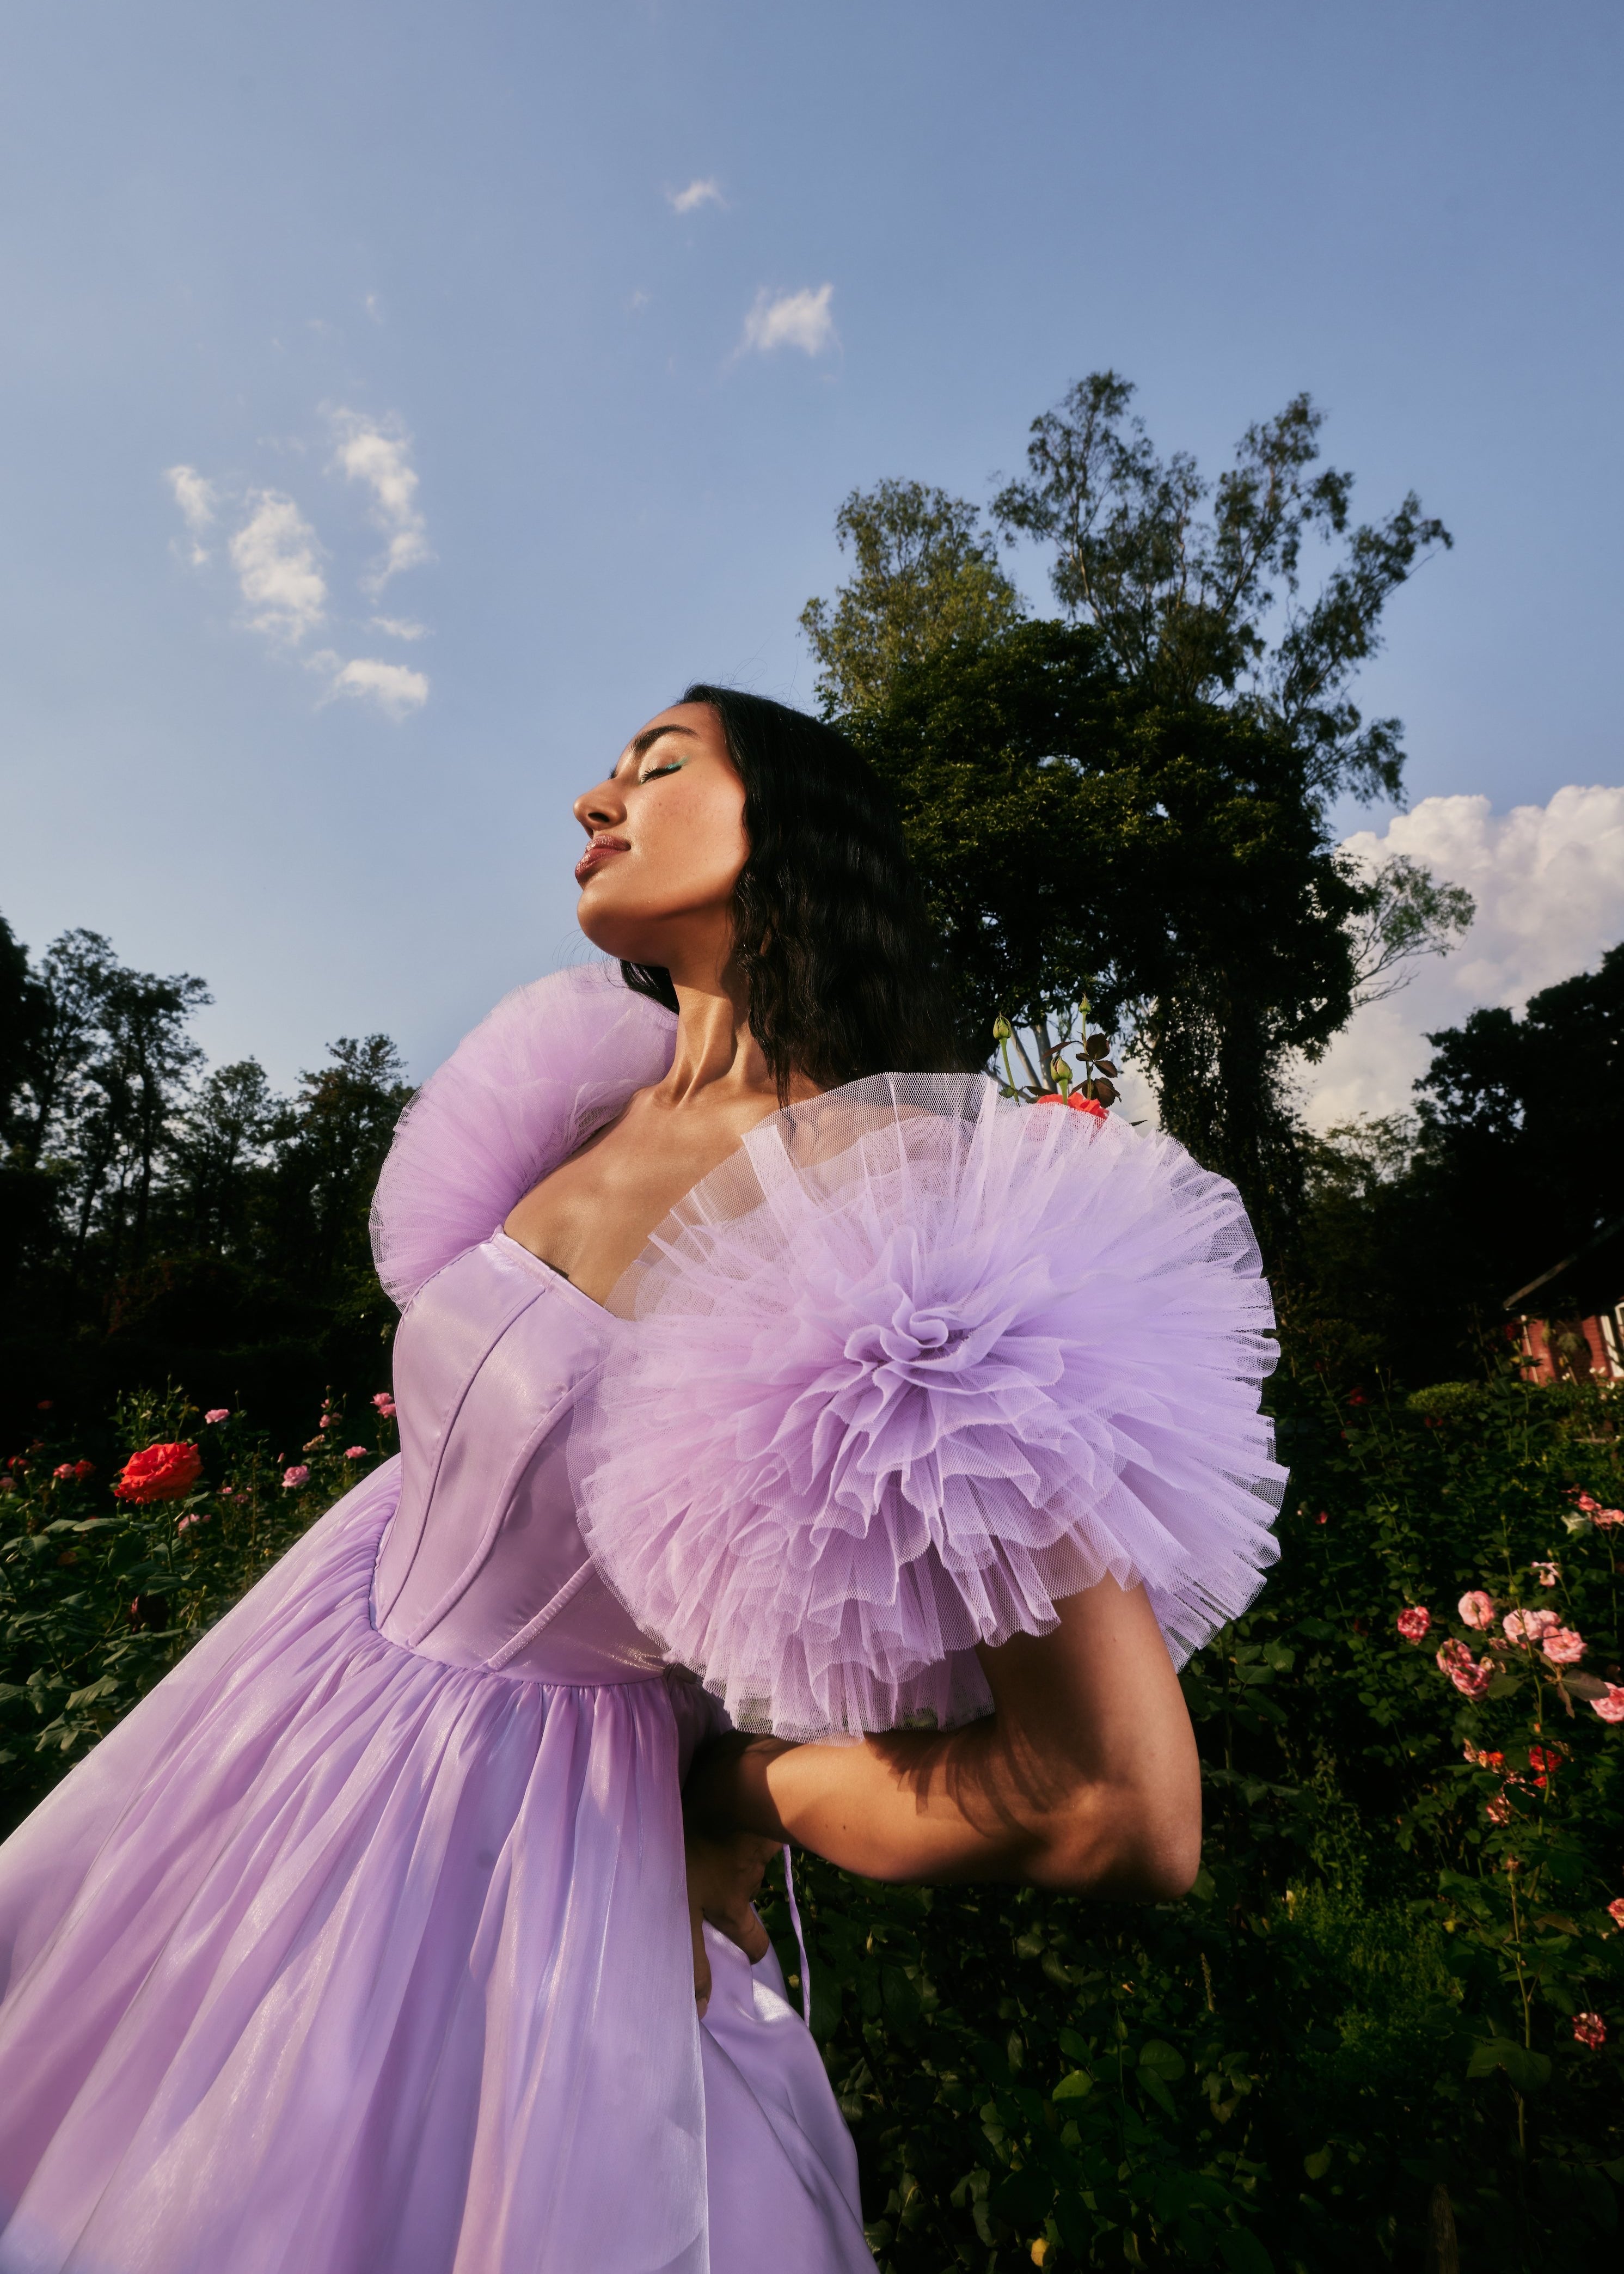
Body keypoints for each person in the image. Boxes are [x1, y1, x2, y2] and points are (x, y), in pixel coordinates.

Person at [0, 687, 1283, 2274]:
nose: (594, 801)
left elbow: (1115, 1804)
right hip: (278, 1738)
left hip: (530, 1884)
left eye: (661, 766)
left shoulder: (909, 1214)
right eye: (611, 771)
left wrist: (741, 1798)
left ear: (793, 834)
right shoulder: (572, 1111)